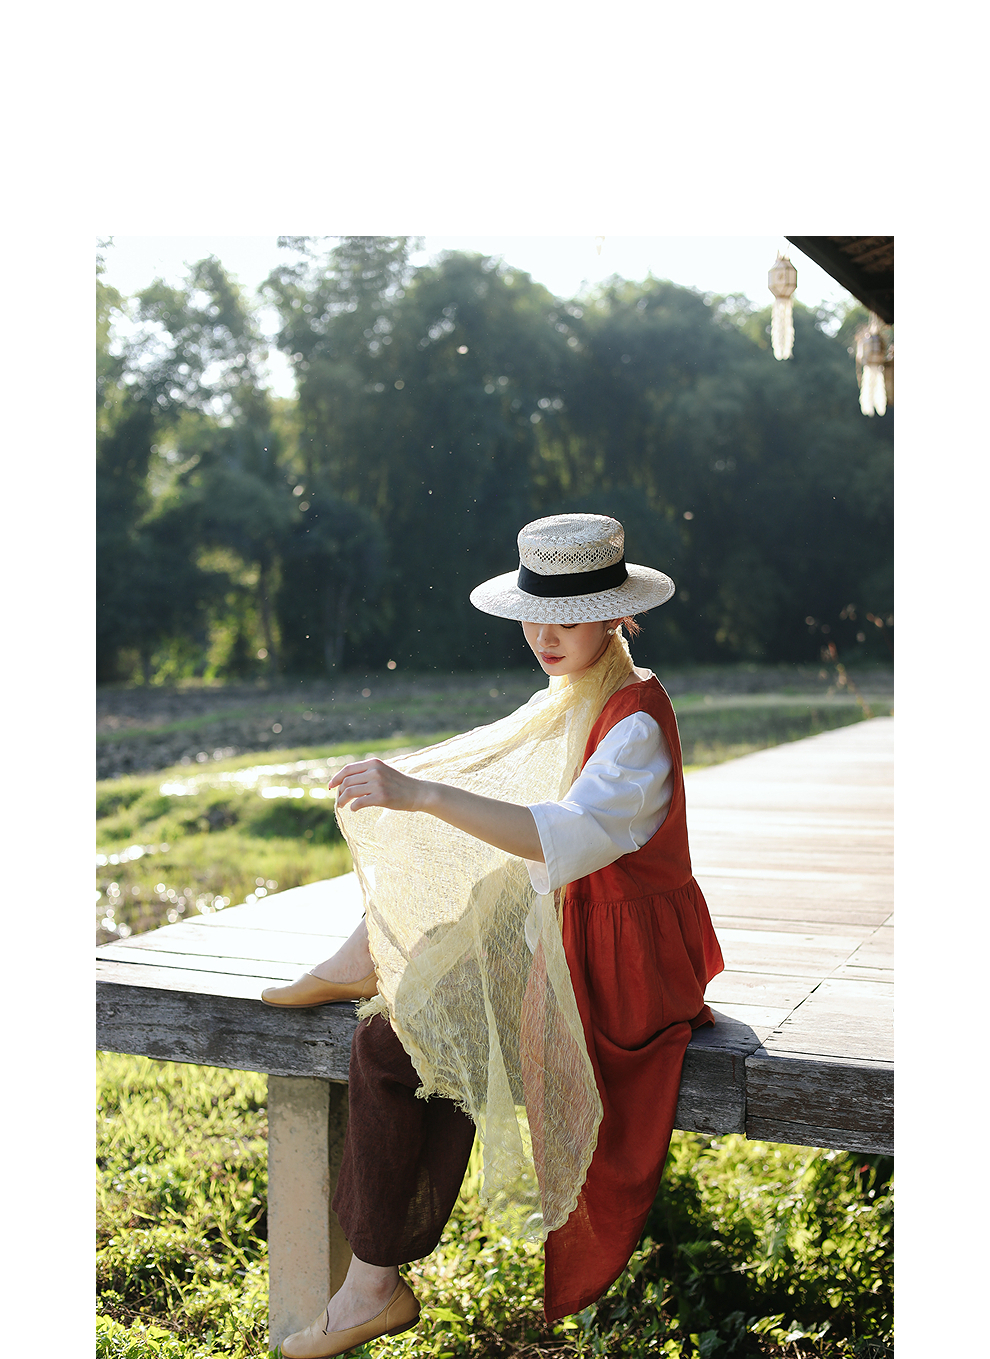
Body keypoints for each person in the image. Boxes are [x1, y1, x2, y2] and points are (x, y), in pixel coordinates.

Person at [262, 513, 724, 1359]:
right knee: (424, 995)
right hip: (581, 926)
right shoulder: (583, 691)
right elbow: (520, 799)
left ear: (614, 614)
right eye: (533, 614)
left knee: (399, 1039)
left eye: (568, 618)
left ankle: (372, 1286)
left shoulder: (632, 724)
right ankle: (370, 954)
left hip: (627, 969)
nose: (545, 635)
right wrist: (422, 793)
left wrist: (423, 794)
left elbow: (556, 835)